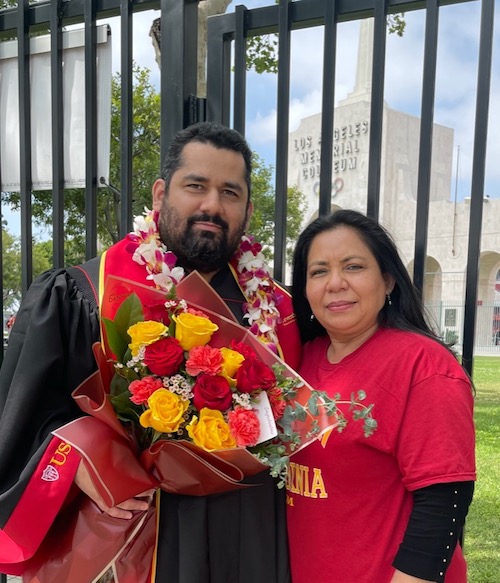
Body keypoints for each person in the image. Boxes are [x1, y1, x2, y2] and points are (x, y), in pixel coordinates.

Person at [0, 121, 301, 582]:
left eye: (229, 193)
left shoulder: (278, 308)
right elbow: (23, 413)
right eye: (195, 186)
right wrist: (77, 464)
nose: (212, 206)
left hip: (250, 531)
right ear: (161, 193)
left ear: (247, 208)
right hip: (135, 529)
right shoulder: (85, 292)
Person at [287, 209, 475, 583]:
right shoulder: (298, 359)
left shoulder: (422, 365)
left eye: (353, 267)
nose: (335, 283)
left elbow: (444, 502)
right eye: (319, 271)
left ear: (388, 279)